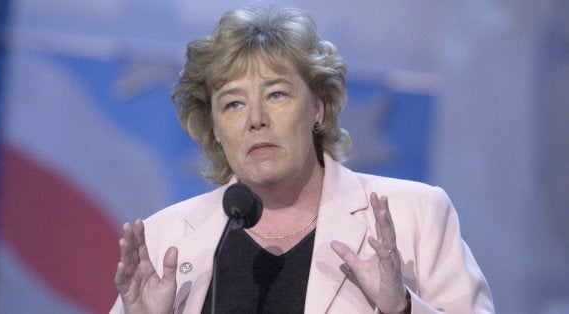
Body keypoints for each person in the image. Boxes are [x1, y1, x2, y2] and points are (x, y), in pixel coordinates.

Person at [111, 5, 494, 314]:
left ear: (318, 108)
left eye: (276, 94)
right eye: (233, 104)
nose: (256, 119)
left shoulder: (417, 214)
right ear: (214, 128)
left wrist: (402, 309)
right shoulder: (166, 240)